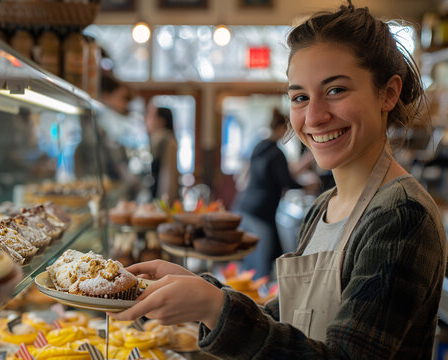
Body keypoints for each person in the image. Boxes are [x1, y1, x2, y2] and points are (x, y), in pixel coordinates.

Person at [110, 2, 448, 359]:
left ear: (388, 93)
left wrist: (214, 308)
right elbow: (283, 320)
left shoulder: (401, 216)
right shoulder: (324, 208)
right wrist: (201, 290)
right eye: (300, 97)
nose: (314, 116)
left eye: (335, 90)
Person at [233, 108, 314, 279]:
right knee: (262, 264)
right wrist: (307, 187)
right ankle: (255, 301)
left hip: (244, 207)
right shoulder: (276, 153)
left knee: (250, 261)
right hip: (261, 213)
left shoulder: (260, 146)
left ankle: (246, 295)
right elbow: (286, 182)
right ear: (281, 128)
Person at [144, 103, 180, 203]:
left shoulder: (168, 142)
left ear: (161, 121)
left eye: (150, 115)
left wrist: (164, 202)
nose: (146, 119)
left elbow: (169, 177)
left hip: (162, 200)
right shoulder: (156, 141)